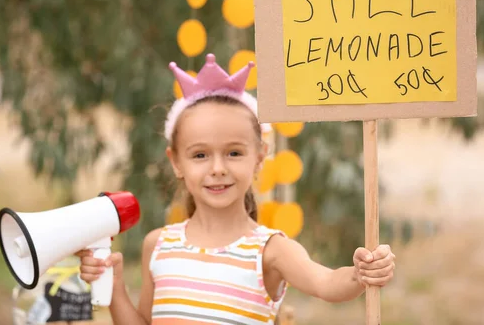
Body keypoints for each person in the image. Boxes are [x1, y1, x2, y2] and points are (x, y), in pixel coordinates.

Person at [77, 53, 396, 325]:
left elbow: (327, 283)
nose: (218, 168)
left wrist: (360, 273)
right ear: (176, 162)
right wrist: (115, 287)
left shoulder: (270, 250)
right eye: (200, 155)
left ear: (259, 157)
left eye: (234, 152)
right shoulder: (157, 245)